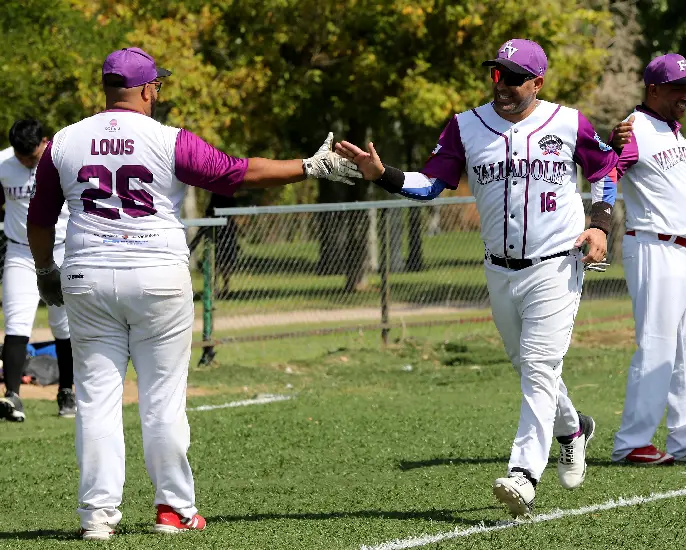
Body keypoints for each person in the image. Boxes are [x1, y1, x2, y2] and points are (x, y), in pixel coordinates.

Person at [27, 47, 360, 540]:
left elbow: (39, 217)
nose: (158, 91)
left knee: (97, 401)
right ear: (146, 90)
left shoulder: (65, 142)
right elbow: (236, 173)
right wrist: (309, 166)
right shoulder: (168, 140)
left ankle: (97, 517)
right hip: (157, 275)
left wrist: (43, 270)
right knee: (162, 400)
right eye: (156, 85)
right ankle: (173, 510)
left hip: (89, 276)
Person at [336, 38, 618, 517]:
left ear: (537, 83)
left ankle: (524, 474)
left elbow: (606, 169)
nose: (503, 85)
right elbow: (429, 185)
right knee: (527, 364)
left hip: (556, 262)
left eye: (514, 77)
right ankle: (572, 429)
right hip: (499, 268)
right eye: (496, 75)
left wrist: (600, 222)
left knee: (537, 365)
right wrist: (382, 174)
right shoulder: (467, 126)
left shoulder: (568, 122)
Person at [607, 53, 686, 466]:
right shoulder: (636, 129)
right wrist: (598, 220)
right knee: (658, 347)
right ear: (654, 89)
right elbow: (607, 171)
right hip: (654, 246)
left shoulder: (671, 130)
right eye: (679, 87)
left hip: (684, 251)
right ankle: (632, 442)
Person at [0, 119, 76, 421]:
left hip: (62, 248)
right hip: (21, 249)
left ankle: (67, 392)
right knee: (17, 322)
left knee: (63, 324)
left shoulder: (63, 160)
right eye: (21, 156)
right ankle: (13, 397)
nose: (26, 162)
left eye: (30, 156)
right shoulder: (4, 163)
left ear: (44, 141)